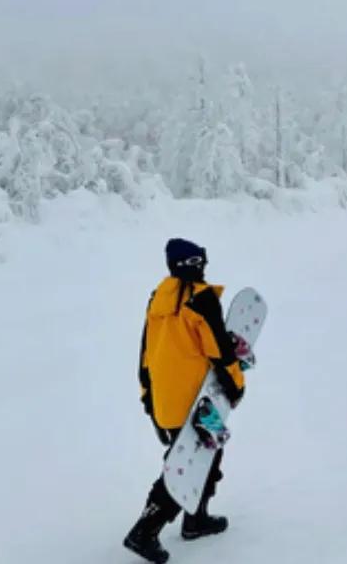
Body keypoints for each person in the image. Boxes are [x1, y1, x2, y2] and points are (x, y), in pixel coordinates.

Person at [123, 238, 246, 564]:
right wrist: (235, 384)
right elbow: (220, 350)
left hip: (165, 399)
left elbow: (145, 351)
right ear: (194, 264)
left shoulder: (157, 299)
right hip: (196, 401)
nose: (203, 268)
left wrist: (147, 395)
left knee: (206, 452)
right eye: (200, 262)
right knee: (186, 465)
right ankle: (144, 531)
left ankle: (196, 518)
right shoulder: (202, 300)